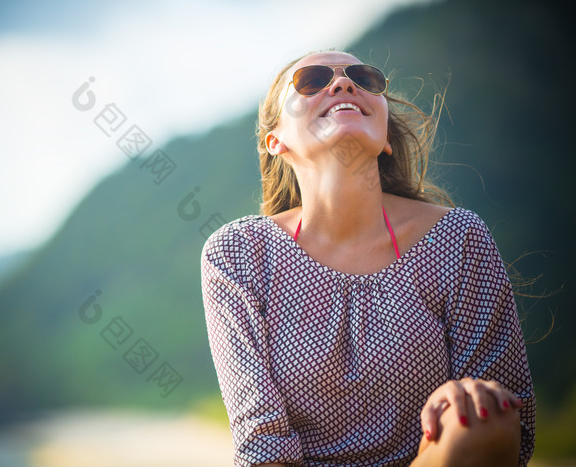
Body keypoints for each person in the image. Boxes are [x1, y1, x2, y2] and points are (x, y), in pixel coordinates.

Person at [200, 49, 535, 466]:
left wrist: (470, 398)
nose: (343, 84)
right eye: (312, 80)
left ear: (386, 137)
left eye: (364, 78)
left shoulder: (457, 237)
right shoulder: (239, 253)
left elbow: (513, 429)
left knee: (485, 418)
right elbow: (261, 447)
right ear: (276, 142)